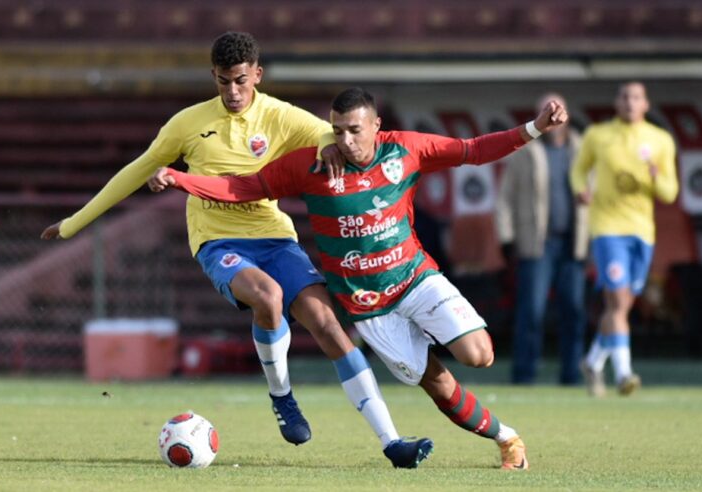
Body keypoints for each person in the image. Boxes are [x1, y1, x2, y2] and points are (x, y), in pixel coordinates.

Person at [40, 32, 431, 468]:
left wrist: (324, 144)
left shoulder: (278, 116)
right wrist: (75, 223)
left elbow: (327, 131)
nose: (232, 91)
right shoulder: (187, 124)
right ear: (213, 76)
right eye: (223, 81)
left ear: (257, 75)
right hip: (217, 239)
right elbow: (136, 171)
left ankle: (392, 442)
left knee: (327, 323)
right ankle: (282, 395)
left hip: (274, 236)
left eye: (240, 81)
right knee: (267, 296)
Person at [148, 87, 569, 469]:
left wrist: (533, 128)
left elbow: (473, 150)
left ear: (375, 126)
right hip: (368, 306)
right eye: (337, 132)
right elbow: (245, 187)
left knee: (480, 355)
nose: (346, 141)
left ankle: (427, 334)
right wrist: (180, 177)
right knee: (438, 385)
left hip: (415, 279)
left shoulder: (407, 150)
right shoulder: (311, 166)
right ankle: (508, 438)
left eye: (354, 131)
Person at [570, 81, 678, 396]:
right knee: (617, 302)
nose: (630, 102)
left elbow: (670, 193)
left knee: (620, 308)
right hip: (607, 229)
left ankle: (592, 361)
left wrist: (657, 177)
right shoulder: (598, 136)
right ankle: (623, 374)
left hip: (642, 232)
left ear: (646, 104)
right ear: (616, 103)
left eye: (636, 97)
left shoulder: (660, 140)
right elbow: (579, 171)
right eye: (625, 97)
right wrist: (581, 190)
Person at [496, 93, 589, 386]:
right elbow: (505, 197)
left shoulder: (582, 148)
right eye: (544, 110)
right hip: (537, 243)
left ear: (567, 115)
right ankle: (524, 374)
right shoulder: (525, 149)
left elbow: (597, 193)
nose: (551, 115)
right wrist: (507, 237)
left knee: (573, 311)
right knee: (531, 312)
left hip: (573, 242)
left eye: (556, 109)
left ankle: (572, 374)